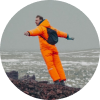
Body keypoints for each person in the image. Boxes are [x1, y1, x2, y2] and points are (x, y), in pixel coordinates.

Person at [24, 15, 74, 86]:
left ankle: (56, 81)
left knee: (50, 65)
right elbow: (58, 32)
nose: (35, 22)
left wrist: (29, 33)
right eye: (35, 20)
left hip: (46, 50)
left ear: (41, 20)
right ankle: (62, 81)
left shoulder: (41, 28)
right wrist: (67, 36)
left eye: (36, 20)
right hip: (53, 48)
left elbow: (36, 31)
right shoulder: (50, 27)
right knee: (58, 65)